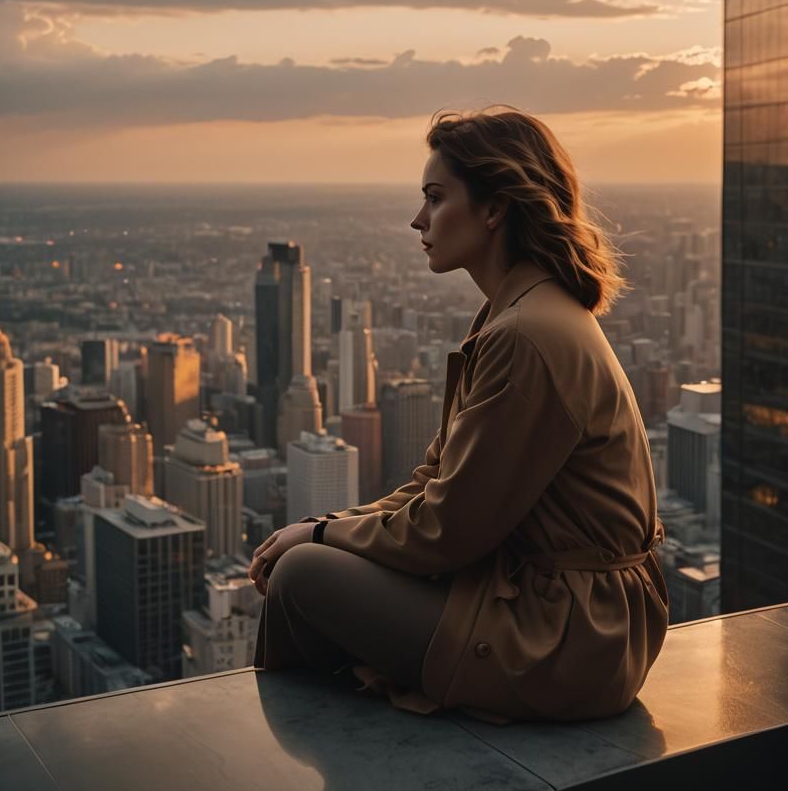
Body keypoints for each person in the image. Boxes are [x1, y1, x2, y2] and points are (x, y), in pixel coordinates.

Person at [250, 105, 669, 724]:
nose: (418, 219)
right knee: (308, 561)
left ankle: (305, 751)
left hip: (568, 635)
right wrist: (334, 521)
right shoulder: (524, 311)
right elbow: (438, 480)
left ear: (494, 209)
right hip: (571, 614)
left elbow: (447, 531)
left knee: (301, 576)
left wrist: (316, 536)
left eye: (436, 197)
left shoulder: (526, 333)